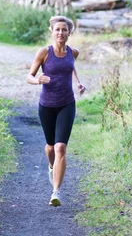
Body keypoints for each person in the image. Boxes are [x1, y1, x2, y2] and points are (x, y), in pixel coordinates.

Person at [27, 15, 86, 207]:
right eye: (57, 29)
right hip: (46, 105)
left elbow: (69, 67)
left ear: (69, 33)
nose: (61, 33)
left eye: (64, 30)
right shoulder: (44, 52)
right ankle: (52, 165)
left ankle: (56, 192)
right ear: (52, 32)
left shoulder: (73, 52)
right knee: (51, 147)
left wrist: (78, 82)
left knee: (61, 147)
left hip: (67, 104)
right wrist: (38, 80)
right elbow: (29, 76)